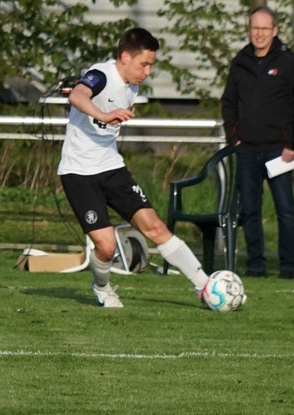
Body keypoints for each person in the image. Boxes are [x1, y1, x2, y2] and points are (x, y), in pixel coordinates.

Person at [58, 27, 212, 308]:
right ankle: (102, 287)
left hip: (111, 167)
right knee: (106, 246)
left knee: (155, 227)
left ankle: (206, 286)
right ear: (125, 57)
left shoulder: (132, 87)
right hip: (79, 172)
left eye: (151, 65)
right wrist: (104, 114)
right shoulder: (101, 74)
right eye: (144, 64)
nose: (147, 72)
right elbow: (77, 96)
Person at [221, 6, 294, 279]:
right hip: (246, 150)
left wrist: (292, 143)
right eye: (255, 28)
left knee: (285, 210)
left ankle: (288, 266)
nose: (259, 34)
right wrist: (234, 138)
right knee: (250, 211)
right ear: (249, 30)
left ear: (274, 31)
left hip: (279, 150)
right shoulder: (240, 61)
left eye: (265, 28)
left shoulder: (289, 62)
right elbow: (228, 102)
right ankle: (256, 265)